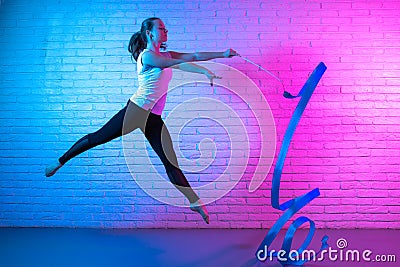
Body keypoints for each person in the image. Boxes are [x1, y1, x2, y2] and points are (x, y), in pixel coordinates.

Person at [45, 17, 239, 224]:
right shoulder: (148, 56)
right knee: (97, 138)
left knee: (170, 162)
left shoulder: (164, 55)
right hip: (135, 112)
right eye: (161, 28)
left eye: (166, 29)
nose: (165, 31)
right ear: (149, 33)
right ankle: (59, 162)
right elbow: (175, 63)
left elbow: (194, 55)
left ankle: (195, 202)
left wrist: (224, 54)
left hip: (153, 118)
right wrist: (201, 70)